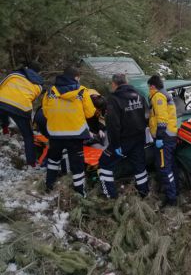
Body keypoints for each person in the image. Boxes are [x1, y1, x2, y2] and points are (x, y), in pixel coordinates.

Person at [42, 66, 96, 196]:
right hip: (75, 134)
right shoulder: (82, 91)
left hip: (55, 134)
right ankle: (80, 192)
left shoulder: (50, 91)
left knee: (53, 160)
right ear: (76, 77)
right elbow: (90, 113)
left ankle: (49, 186)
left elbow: (46, 112)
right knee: (77, 165)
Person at [98, 73, 148, 199]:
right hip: (139, 138)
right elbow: (146, 116)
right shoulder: (139, 96)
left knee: (104, 163)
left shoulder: (114, 99)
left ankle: (110, 196)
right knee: (139, 165)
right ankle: (144, 192)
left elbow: (113, 125)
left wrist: (115, 144)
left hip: (123, 141)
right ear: (126, 82)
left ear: (114, 84)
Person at [0, 62, 43, 167]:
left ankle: (5, 129)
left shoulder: (13, 75)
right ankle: (31, 164)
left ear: (27, 68)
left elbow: (1, 85)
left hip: (2, 101)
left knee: (3, 111)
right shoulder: (39, 86)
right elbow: (31, 98)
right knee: (28, 136)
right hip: (21, 108)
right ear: (38, 73)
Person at [148, 75, 178, 207]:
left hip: (164, 137)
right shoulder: (165, 94)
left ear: (153, 86)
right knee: (171, 165)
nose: (149, 89)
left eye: (149, 87)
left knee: (164, 168)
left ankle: (171, 198)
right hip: (170, 136)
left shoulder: (158, 96)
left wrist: (159, 137)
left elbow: (162, 118)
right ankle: (176, 191)